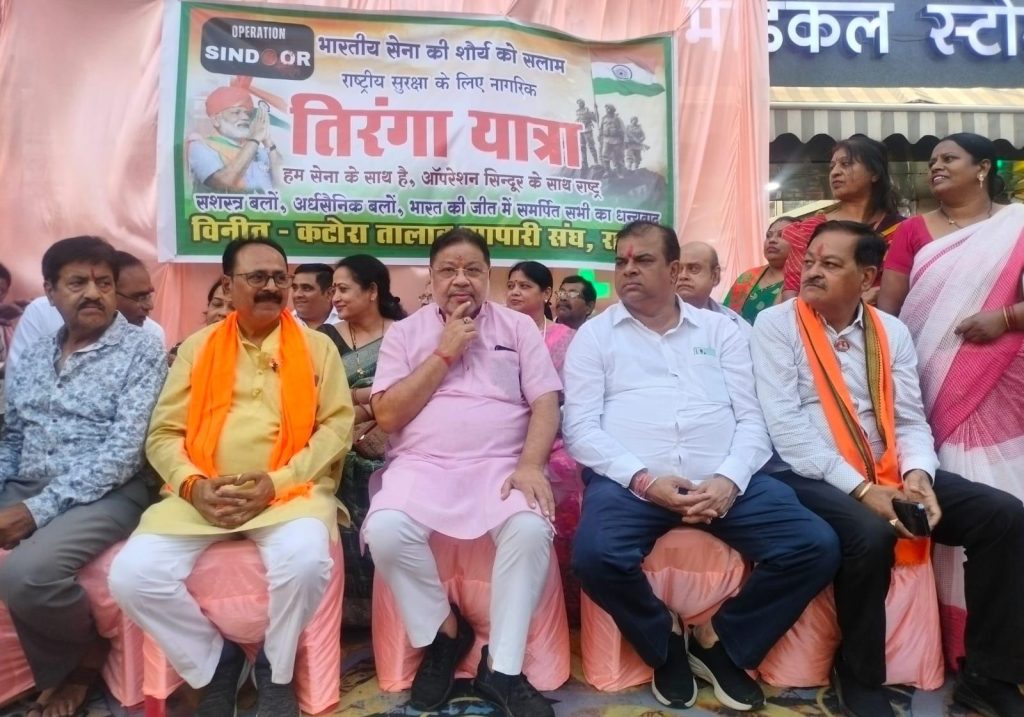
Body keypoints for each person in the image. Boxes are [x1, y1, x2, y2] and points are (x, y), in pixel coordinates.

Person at [751, 220, 1024, 717]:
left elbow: (909, 418)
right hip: (808, 472)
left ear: (867, 277)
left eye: (830, 264)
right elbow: (787, 429)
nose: (812, 272)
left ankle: (988, 675)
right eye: (810, 261)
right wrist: (863, 491)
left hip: (889, 468)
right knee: (870, 534)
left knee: (1003, 515)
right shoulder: (776, 325)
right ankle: (859, 674)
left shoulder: (890, 331)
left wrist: (918, 475)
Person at [565, 221, 840, 712]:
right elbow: (580, 429)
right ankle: (665, 640)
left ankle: (720, 640)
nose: (628, 270)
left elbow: (753, 418)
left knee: (815, 546)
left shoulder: (723, 331)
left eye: (642, 260)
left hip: (723, 479)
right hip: (634, 485)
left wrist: (729, 480)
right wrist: (644, 481)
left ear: (673, 271)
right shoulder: (594, 336)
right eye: (621, 262)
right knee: (594, 555)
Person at [108, 238, 353, 717]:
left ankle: (276, 670)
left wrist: (278, 482)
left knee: (306, 562)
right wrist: (193, 485)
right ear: (228, 285)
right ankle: (214, 664)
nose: (271, 287)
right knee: (132, 577)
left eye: (279, 278)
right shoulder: (197, 348)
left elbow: (336, 428)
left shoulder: (317, 347)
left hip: (289, 494)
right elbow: (164, 433)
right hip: (204, 494)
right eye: (257, 277)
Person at [362, 228, 562, 717]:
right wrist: (444, 351)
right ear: (431, 277)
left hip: (501, 466)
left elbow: (545, 401)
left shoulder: (519, 328)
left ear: (488, 276)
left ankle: (503, 670)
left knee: (531, 530)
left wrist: (530, 465)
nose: (461, 280)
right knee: (385, 531)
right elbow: (387, 415)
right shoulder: (404, 334)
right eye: (448, 270)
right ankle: (444, 633)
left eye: (473, 269)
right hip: (421, 465)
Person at [0, 236, 167, 717]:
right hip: (30, 480)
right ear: (50, 291)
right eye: (77, 283)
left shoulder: (141, 350)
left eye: (104, 283)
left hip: (109, 493)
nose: (93, 293)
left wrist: (35, 510)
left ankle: (81, 663)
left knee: (27, 574)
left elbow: (123, 453)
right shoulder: (34, 356)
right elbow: (13, 436)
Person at [876, 133, 1024, 667]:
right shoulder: (913, 231)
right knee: (951, 498)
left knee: (1006, 503)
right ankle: (950, 639)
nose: (935, 167)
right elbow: (888, 313)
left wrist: (1003, 318)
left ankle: (1002, 642)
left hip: (1002, 379)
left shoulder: (1017, 224)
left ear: (982, 167)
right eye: (932, 160)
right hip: (924, 383)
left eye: (948, 159)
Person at [317, 255, 407, 627]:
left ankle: (394, 610)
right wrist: (371, 400)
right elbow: (318, 399)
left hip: (397, 443)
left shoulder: (404, 333)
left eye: (343, 288)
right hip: (340, 445)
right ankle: (354, 612)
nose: (335, 297)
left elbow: (414, 393)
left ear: (372, 291)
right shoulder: (325, 338)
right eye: (332, 290)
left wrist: (369, 406)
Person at [505, 260, 582, 623]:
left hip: (555, 431)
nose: (515, 292)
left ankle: (568, 599)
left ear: (546, 293)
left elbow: (571, 397)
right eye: (511, 286)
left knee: (566, 470)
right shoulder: (497, 333)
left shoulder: (565, 338)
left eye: (524, 286)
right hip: (505, 434)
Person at [780, 135, 904, 304]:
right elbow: (792, 296)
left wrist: (882, 294)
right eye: (832, 167)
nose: (835, 172)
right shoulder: (809, 229)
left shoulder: (902, 230)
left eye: (846, 164)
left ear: (874, 173)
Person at [6, 251, 165, 377]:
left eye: (148, 296)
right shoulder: (41, 312)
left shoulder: (150, 337)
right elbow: (18, 382)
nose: (149, 306)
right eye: (139, 297)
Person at [188, 86, 282, 193]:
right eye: (236, 112)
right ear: (216, 120)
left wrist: (268, 141)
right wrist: (254, 139)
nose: (245, 117)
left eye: (248, 113)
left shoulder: (257, 150)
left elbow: (283, 181)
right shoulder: (200, 147)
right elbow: (224, 181)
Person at [723, 216, 797, 325]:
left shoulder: (802, 282)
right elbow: (723, 318)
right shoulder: (747, 277)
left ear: (800, 242)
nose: (772, 240)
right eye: (768, 236)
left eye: (782, 235)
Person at [675, 241, 751, 339]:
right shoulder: (657, 320)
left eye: (693, 269)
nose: (683, 276)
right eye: (678, 269)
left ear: (715, 276)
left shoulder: (736, 326)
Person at [599, 104, 626, 175]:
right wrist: (600, 135)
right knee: (605, 155)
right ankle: (607, 171)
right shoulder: (604, 119)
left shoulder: (618, 119)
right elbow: (601, 128)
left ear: (612, 110)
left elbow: (623, 130)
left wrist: (623, 139)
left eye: (608, 109)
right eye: (606, 109)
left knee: (617, 157)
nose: (607, 111)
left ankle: (619, 173)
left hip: (616, 140)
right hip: (606, 140)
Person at [576, 99, 599, 169]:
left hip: (587, 130)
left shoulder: (587, 111)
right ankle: (584, 163)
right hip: (581, 131)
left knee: (591, 146)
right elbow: (578, 120)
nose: (579, 104)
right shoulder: (577, 112)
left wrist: (596, 110)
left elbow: (596, 119)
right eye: (578, 103)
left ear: (583, 103)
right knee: (582, 147)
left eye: (581, 103)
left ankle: (596, 162)